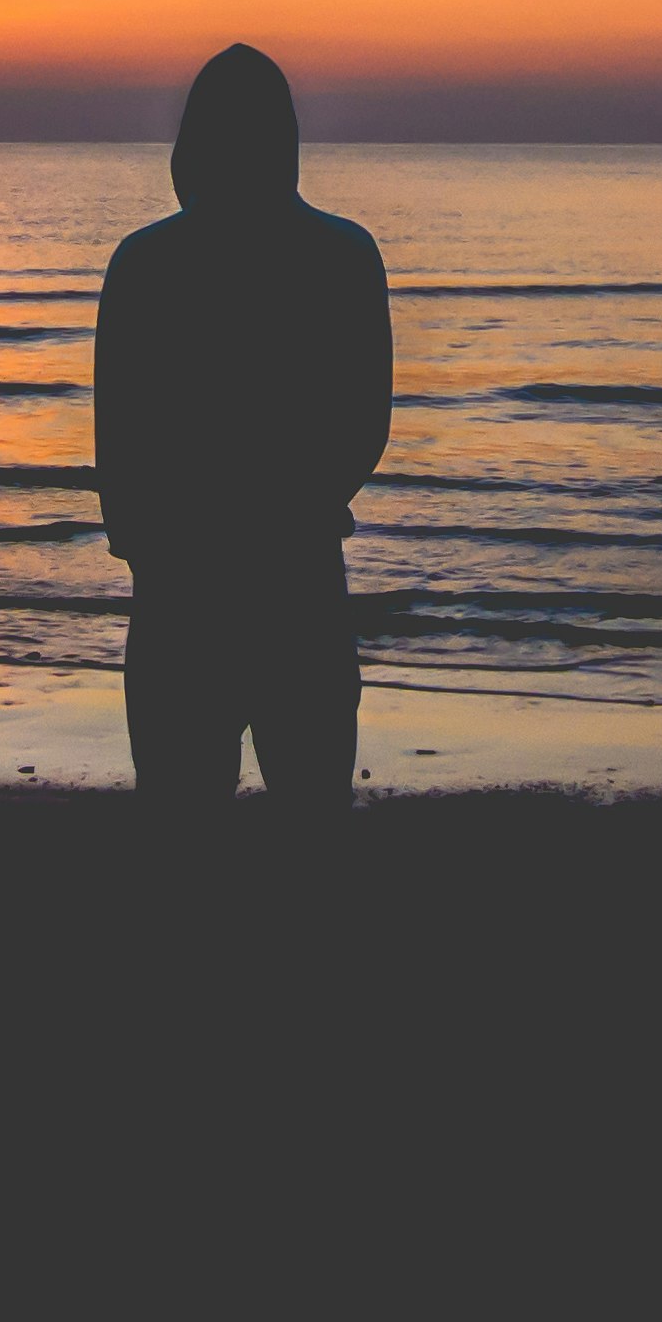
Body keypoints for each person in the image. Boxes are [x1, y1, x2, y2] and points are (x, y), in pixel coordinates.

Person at [94, 45, 392, 809]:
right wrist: (299, 505)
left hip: (180, 590)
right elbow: (364, 425)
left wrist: (146, 547)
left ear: (192, 141)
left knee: (180, 811)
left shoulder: (143, 262)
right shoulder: (344, 253)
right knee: (311, 806)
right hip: (299, 579)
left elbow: (119, 440)